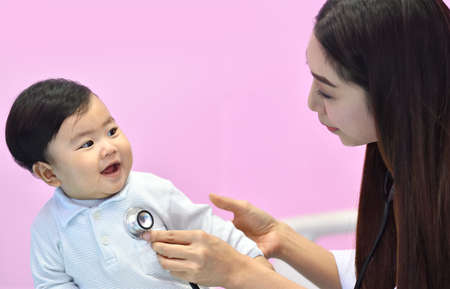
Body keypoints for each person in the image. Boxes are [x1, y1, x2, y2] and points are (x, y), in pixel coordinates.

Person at [146, 0, 450, 288]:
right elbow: (383, 277)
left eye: (327, 91)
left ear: (395, 95)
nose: (311, 102)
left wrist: (240, 274)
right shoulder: (407, 174)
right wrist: (280, 238)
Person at [4, 78, 272, 289]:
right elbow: (53, 284)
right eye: (87, 143)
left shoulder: (152, 191)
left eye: (111, 131)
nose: (109, 147)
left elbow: (209, 230)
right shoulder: (49, 228)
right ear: (49, 174)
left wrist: (253, 260)